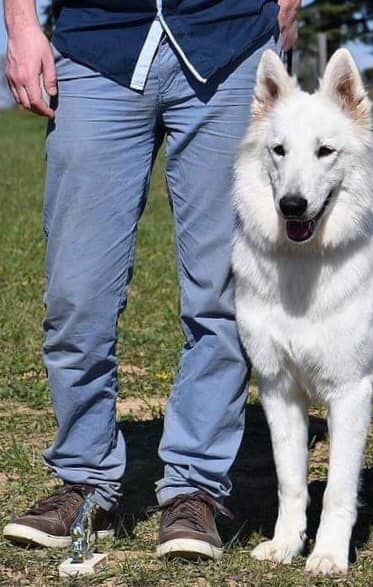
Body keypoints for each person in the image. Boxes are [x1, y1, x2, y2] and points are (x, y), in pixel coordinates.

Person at [2, 0, 300, 560]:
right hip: (98, 44)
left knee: (224, 293)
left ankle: (195, 487)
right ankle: (85, 479)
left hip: (228, 42)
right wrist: (20, 24)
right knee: (77, 294)